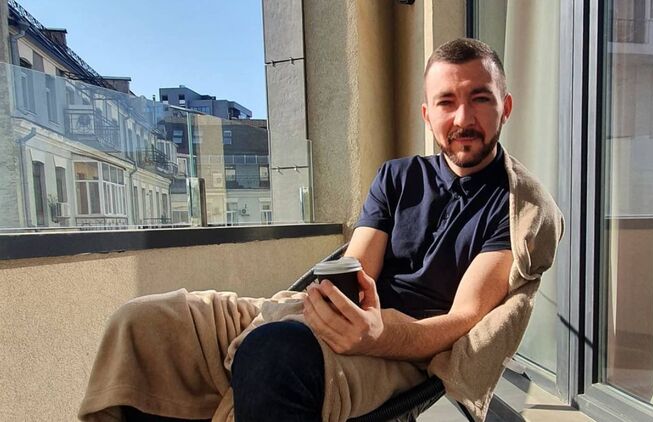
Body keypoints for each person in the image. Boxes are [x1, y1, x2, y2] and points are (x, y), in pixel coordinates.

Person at [79, 38, 562, 422]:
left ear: (505, 106)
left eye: (480, 98)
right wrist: (325, 311)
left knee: (273, 355)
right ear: (427, 113)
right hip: (338, 319)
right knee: (144, 324)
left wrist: (375, 336)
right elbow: (356, 270)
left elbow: (465, 320)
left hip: (401, 354)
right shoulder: (397, 177)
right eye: (446, 102)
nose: (462, 118)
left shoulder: (517, 206)